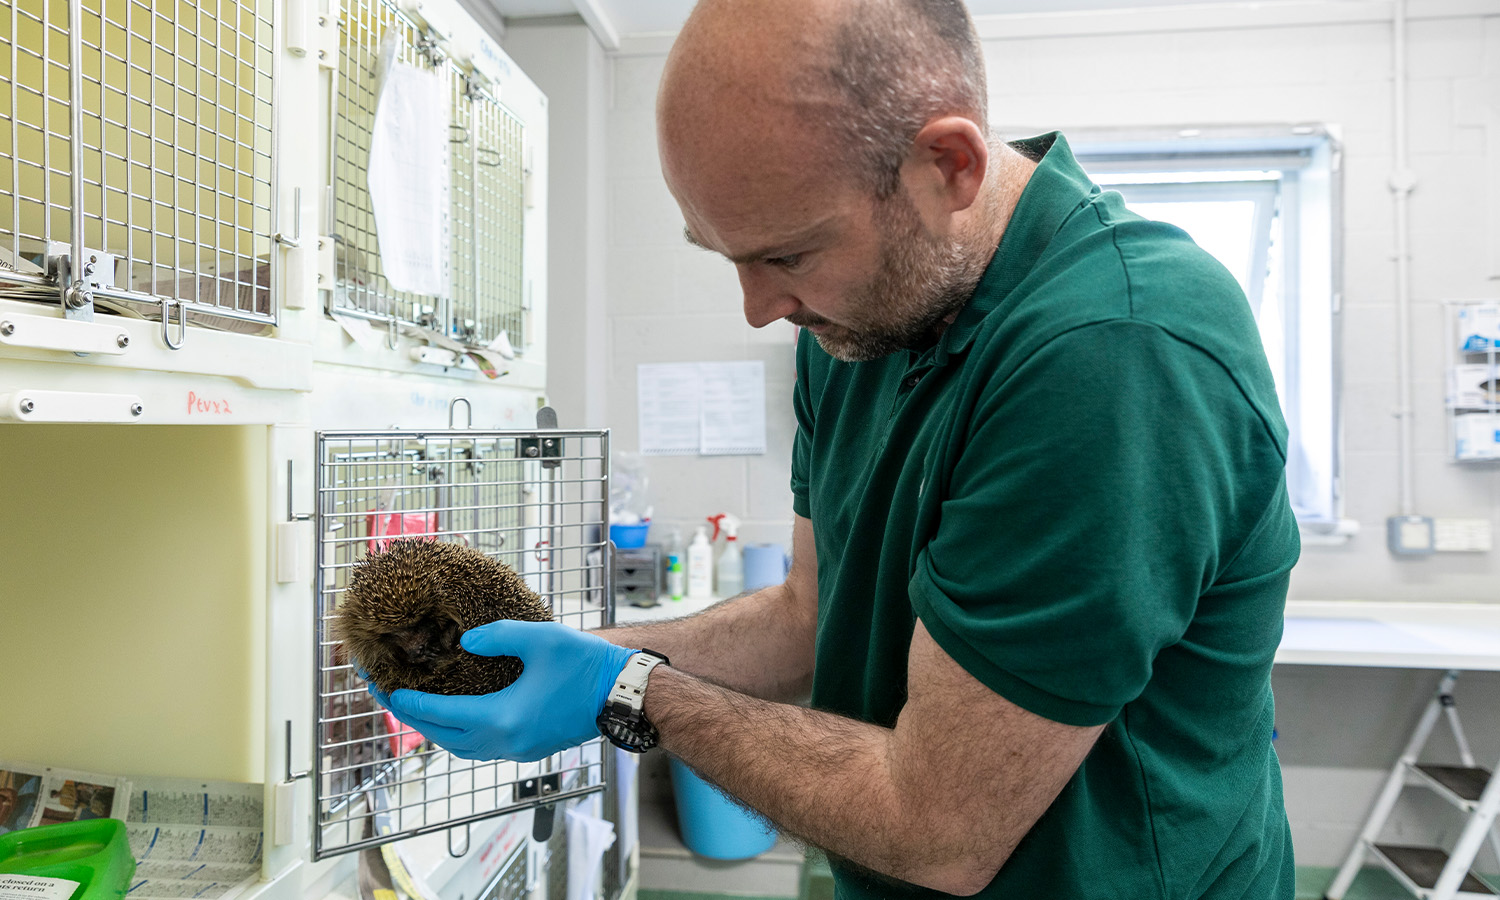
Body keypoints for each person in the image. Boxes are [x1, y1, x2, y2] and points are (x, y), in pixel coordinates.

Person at [374, 1, 1300, 897]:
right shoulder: (856, 320)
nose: (758, 305)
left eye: (788, 255)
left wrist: (630, 691)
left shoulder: (1115, 352)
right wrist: (578, 654)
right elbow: (809, 618)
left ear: (948, 165)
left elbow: (938, 827)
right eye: (724, 255)